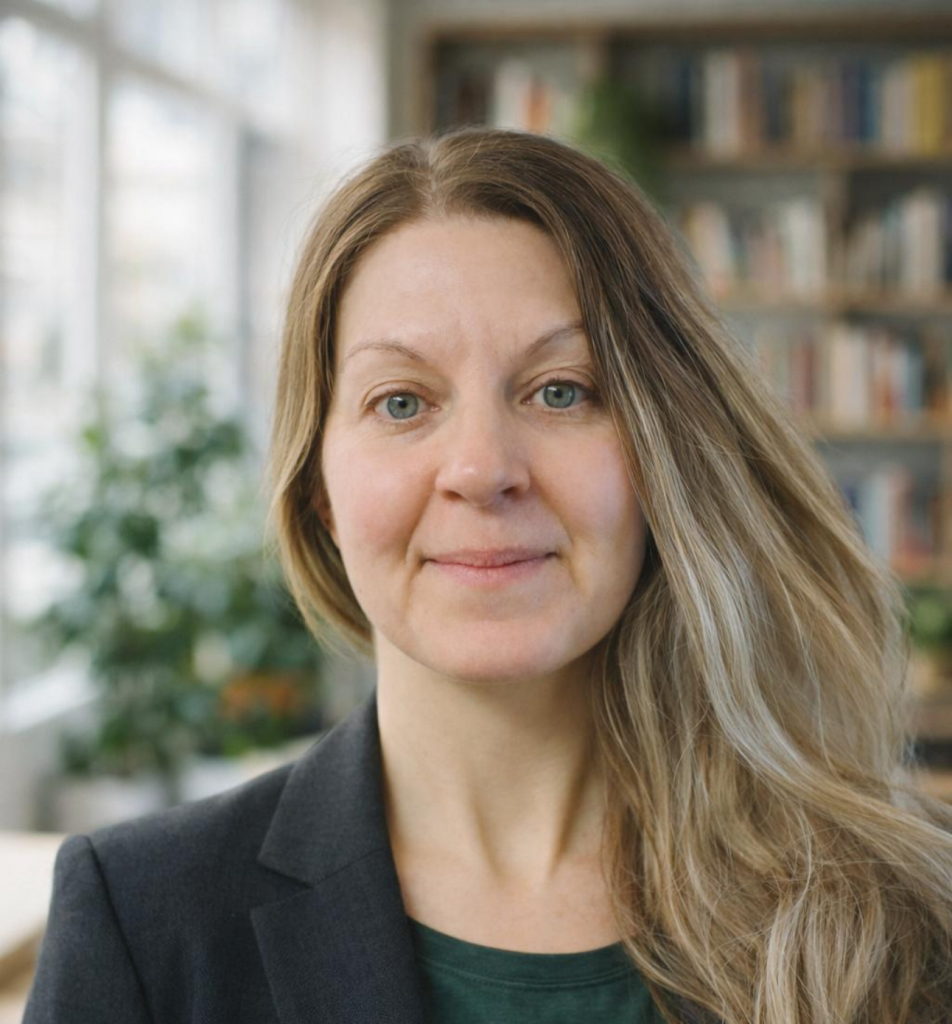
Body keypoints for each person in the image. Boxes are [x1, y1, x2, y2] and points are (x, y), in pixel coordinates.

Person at [24, 126, 952, 1024]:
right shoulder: (140, 924)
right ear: (318, 490)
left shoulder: (910, 911)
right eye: (401, 402)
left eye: (561, 391)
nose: (481, 468)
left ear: (666, 458)